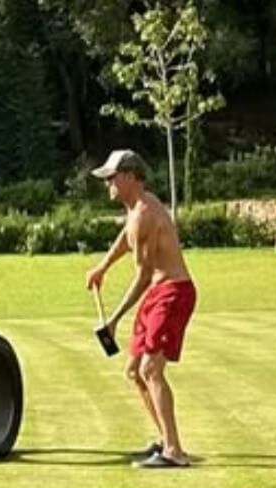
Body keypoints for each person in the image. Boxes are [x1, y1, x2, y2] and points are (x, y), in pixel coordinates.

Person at [85, 149, 197, 468]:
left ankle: (174, 452)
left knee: (151, 369)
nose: (107, 182)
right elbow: (126, 236)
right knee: (134, 371)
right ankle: (165, 439)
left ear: (130, 177)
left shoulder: (145, 213)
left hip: (173, 292)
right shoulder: (138, 209)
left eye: (112, 177)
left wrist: (114, 321)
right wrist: (102, 267)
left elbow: (144, 276)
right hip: (159, 292)